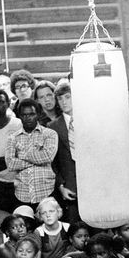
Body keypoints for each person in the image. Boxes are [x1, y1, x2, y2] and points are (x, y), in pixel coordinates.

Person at [5, 98, 58, 207]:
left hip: (46, 191)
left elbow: (48, 157)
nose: (28, 118)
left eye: (31, 114)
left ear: (38, 114)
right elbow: (10, 164)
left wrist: (22, 154)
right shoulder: (12, 138)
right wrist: (37, 160)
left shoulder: (49, 134)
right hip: (22, 194)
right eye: (24, 115)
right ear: (19, 116)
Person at [47, 82, 79, 222]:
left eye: (67, 97)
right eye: (60, 99)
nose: (64, 102)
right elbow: (52, 163)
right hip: (69, 187)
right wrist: (61, 186)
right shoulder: (52, 126)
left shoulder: (89, 121)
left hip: (91, 186)